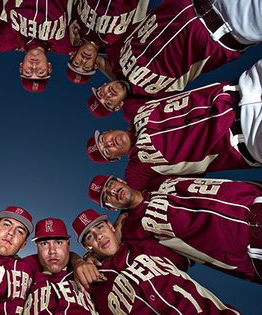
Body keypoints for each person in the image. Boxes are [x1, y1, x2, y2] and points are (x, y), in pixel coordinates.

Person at [86, 59, 262, 190]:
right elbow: (132, 203)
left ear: (108, 130)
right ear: (115, 159)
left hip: (245, 87)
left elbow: (120, 81)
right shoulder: (137, 170)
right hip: (247, 138)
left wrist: (97, 58)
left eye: (103, 139)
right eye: (106, 151)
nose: (109, 143)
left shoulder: (133, 109)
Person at [85, 0, 262, 119]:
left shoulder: (115, 53)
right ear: (118, 107)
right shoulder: (144, 101)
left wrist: (98, 63)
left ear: (102, 85)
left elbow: (96, 54)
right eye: (108, 103)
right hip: (234, 29)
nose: (108, 95)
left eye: (101, 93)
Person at [88, 174, 262, 284]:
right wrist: (85, 259)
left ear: (121, 180)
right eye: (106, 196)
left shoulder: (154, 179)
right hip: (251, 251)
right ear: (111, 208)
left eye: (111, 184)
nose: (112, 191)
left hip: (253, 199)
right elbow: (116, 247)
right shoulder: (133, 232)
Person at [71, 209, 240, 314]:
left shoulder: (149, 244)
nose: (98, 235)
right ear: (88, 247)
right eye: (90, 236)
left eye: (100, 227)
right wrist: (75, 260)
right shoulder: (92, 285)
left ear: (111, 226)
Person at [0, 0, 75, 92]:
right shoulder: (65, 45)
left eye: (27, 72)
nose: (34, 66)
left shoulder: (6, 41)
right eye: (40, 72)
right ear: (49, 68)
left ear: (21, 67)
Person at [23, 217, 98, 314]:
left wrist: (78, 261)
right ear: (37, 247)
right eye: (45, 243)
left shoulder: (87, 269)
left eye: (58, 242)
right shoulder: (26, 274)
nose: (52, 251)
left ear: (68, 244)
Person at [66, 0, 149, 84]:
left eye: (77, 63)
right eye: (86, 67)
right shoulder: (116, 45)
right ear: (95, 65)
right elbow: (123, 84)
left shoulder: (73, 24)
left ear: (73, 55)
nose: (84, 60)